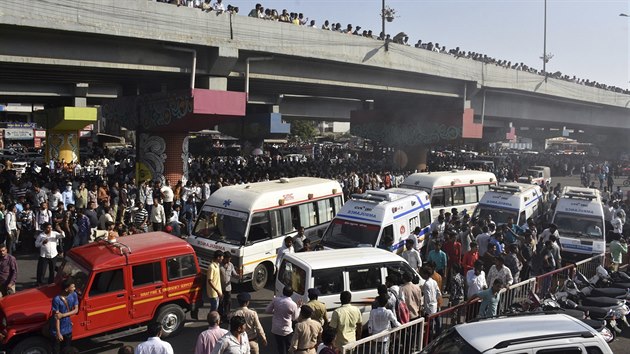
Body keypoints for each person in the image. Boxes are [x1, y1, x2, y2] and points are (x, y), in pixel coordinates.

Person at [265, 286, 299, 354]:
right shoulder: (293, 304)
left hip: (276, 328)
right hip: (287, 330)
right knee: (288, 346)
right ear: (292, 294)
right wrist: (299, 308)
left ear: (283, 292)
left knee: (280, 346)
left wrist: (276, 311)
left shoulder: (276, 300)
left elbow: (267, 310)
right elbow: (295, 318)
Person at [50, 278, 78, 354]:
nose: (74, 289)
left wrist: (63, 315)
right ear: (66, 289)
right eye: (72, 287)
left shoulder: (74, 295)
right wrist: (58, 333)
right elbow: (57, 317)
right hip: (58, 329)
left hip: (68, 328)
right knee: (56, 350)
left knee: (67, 350)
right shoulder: (56, 299)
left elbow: (76, 310)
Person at [219, 252, 239, 321]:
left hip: (228, 288)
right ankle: (220, 317)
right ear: (223, 258)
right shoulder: (219, 266)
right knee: (221, 303)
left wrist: (237, 276)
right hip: (220, 288)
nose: (228, 261)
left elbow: (234, 274)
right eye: (227, 259)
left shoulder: (231, 265)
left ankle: (227, 316)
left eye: (229, 259)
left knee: (228, 303)